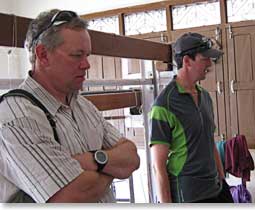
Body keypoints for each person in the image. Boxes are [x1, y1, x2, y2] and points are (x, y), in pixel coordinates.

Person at [0, 9, 140, 203]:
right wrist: (111, 168)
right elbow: (72, 195)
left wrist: (92, 161)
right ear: (43, 55)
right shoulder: (18, 118)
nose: (86, 65)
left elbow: (132, 157)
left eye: (87, 55)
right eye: (77, 55)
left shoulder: (83, 106)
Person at [149, 32, 233, 203]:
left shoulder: (205, 97)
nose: (210, 63)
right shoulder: (163, 105)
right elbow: (158, 167)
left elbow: (209, 141)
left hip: (216, 188)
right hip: (188, 194)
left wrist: (222, 179)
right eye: (205, 59)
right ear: (187, 61)